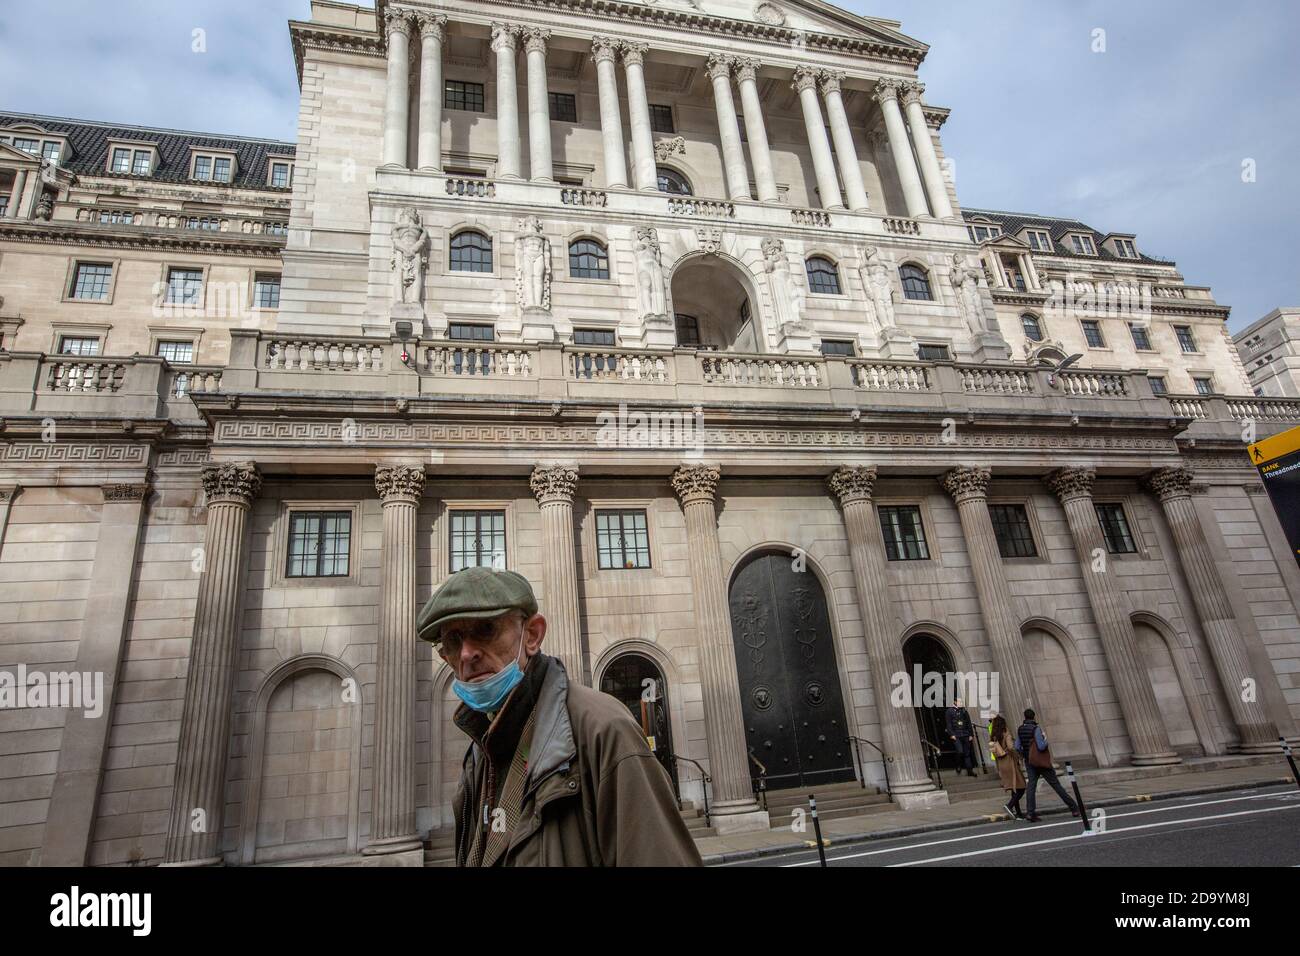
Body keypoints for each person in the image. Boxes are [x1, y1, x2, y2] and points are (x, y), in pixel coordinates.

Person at [417, 565, 703, 867]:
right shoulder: (480, 748)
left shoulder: (603, 731)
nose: (466, 654)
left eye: (486, 629)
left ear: (532, 635)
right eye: (453, 641)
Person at [1015, 708, 1080, 822]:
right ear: (1033, 717)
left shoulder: (1020, 729)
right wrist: (1045, 740)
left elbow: (1017, 746)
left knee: (1031, 787)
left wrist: (1025, 753)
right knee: (1056, 785)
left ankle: (1030, 813)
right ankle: (1074, 808)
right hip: (1041, 761)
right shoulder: (1036, 729)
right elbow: (1041, 746)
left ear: (1024, 717)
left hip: (1029, 762)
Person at [988, 713, 1026, 819]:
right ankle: (1009, 805)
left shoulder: (994, 736)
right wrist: (1018, 756)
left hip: (1001, 764)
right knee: (1021, 787)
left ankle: (1018, 813)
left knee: (1015, 788)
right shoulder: (1006, 733)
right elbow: (1010, 747)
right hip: (1010, 762)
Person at [945, 697, 977, 777]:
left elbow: (968, 723)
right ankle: (958, 765)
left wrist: (971, 734)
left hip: (965, 734)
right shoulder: (949, 711)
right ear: (955, 702)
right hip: (956, 735)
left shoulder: (964, 711)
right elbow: (948, 724)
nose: (961, 703)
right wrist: (951, 734)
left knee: (967, 753)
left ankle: (970, 770)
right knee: (960, 751)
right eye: (959, 702)